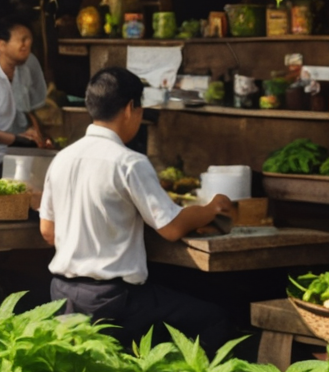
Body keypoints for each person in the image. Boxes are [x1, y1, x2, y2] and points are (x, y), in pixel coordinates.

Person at [42, 67, 234, 347]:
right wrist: (212, 208)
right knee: (214, 319)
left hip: (61, 295)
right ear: (131, 108)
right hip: (113, 302)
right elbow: (171, 228)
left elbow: (48, 231)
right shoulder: (129, 162)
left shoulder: (62, 158)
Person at [0, 16, 50, 177]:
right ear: (2, 45)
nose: (27, 45)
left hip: (22, 151)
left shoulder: (24, 71)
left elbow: (28, 110)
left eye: (29, 40)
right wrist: (17, 139)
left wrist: (38, 137)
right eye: (22, 40)